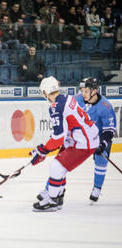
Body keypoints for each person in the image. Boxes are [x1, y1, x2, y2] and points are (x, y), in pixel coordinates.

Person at [31, 76, 99, 212]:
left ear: (45, 92)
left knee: (56, 166)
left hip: (83, 143)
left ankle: (52, 200)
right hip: (85, 137)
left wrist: (42, 151)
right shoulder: (67, 98)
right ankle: (58, 194)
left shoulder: (56, 107)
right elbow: (65, 129)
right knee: (60, 165)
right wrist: (44, 150)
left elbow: (58, 137)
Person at [75, 77, 117, 202]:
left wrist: (102, 144)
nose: (83, 94)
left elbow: (109, 130)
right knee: (63, 158)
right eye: (81, 90)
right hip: (81, 136)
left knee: (101, 161)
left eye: (86, 91)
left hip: (98, 137)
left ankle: (97, 188)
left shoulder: (105, 106)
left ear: (95, 90)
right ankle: (56, 187)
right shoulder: (77, 99)